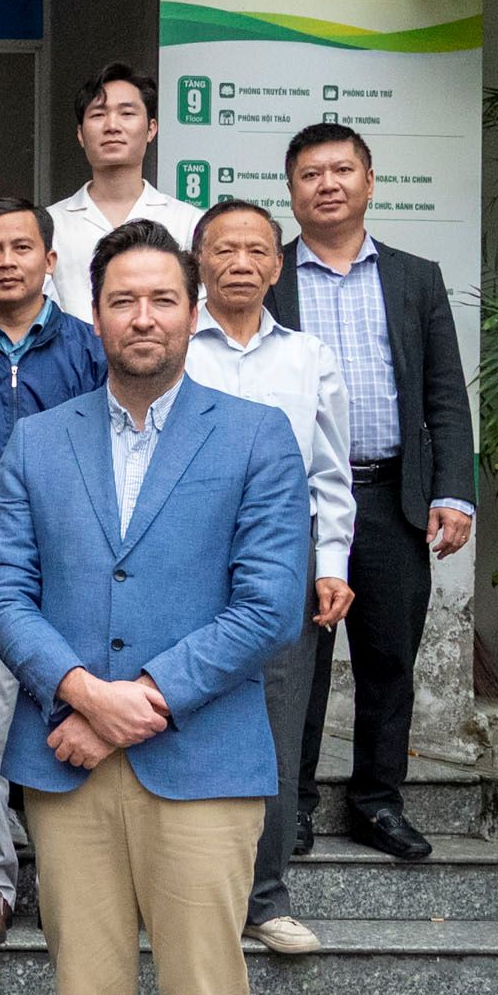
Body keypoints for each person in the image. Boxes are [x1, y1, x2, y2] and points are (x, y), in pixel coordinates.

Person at [0, 219, 308, 995]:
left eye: (163, 298)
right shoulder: (37, 439)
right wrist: (75, 689)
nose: (144, 318)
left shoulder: (257, 437)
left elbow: (270, 606)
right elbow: (3, 588)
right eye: (123, 300)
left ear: (192, 306)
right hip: (69, 770)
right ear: (95, 306)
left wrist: (137, 700)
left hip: (204, 770)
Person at [269, 122, 476, 866]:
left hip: (390, 497)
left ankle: (377, 803)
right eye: (310, 174)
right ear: (290, 190)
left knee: (390, 660)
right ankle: (288, 808)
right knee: (296, 662)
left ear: (369, 180)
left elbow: (445, 395)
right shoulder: (269, 275)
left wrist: (453, 490)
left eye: (341, 170)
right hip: (291, 505)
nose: (327, 184)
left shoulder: (415, 277)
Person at [188, 199, 356, 955]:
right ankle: (177, 896)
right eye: (225, 250)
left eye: (257, 250)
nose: (242, 263)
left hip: (280, 565)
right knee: (175, 719)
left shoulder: (309, 356)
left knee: (276, 732)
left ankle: (265, 897)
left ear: (278, 265)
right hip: (183, 561)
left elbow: (331, 474)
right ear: (200, 260)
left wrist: (331, 566)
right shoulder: (174, 346)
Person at [0, 197, 107, 948]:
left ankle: (84, 879)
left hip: (81, 565)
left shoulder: (89, 350)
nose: (6, 261)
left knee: (83, 712)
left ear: (50, 258)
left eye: (20, 248)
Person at [45, 65, 205, 322]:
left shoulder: (189, 223)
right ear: (80, 134)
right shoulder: (49, 224)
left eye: (127, 113)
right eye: (98, 115)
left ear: (151, 129)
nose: (112, 126)